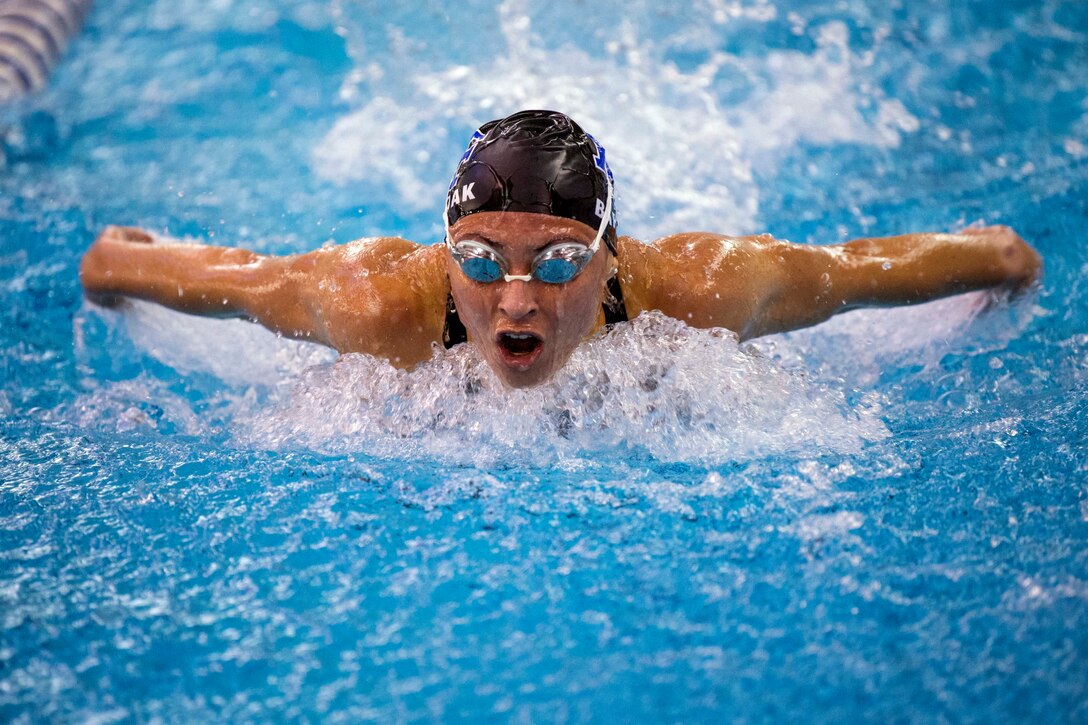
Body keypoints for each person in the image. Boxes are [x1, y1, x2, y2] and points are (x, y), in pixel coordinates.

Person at [79, 110, 1042, 388]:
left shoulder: (701, 289)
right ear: (444, 249)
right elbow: (229, 280)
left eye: (561, 261)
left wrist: (997, 260)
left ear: (611, 258)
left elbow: (851, 272)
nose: (516, 301)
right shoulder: (376, 305)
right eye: (482, 261)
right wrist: (118, 260)